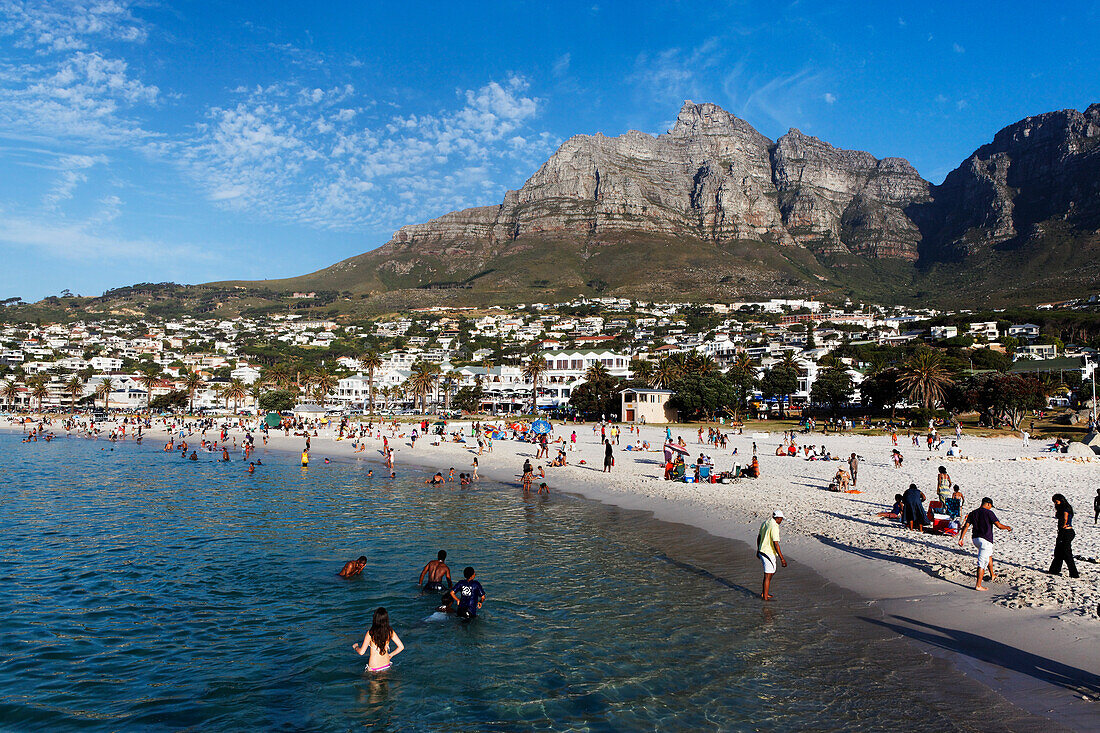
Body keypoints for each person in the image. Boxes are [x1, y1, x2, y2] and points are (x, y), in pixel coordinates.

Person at [958, 497, 1012, 591]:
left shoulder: (973, 513)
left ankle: (992, 575)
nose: (990, 507)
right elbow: (999, 525)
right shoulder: (989, 513)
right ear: (987, 504)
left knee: (988, 555)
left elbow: (966, 526)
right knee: (981, 563)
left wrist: (961, 538)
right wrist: (1007, 527)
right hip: (985, 540)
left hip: (975, 539)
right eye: (990, 506)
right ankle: (978, 585)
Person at [353, 607, 404, 673]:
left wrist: (356, 647)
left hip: (374, 668)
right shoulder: (390, 631)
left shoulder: (370, 633)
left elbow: (361, 652)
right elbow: (401, 647)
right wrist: (391, 655)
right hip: (386, 665)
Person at [1047, 494, 1079, 578]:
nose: (1055, 503)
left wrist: (1064, 524)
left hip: (1066, 532)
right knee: (1058, 552)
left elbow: (1065, 517)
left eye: (1056, 501)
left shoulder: (1065, 508)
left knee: (1066, 553)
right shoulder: (1063, 507)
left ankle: (1074, 574)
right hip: (1063, 532)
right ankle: (1054, 570)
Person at [757, 511, 787, 601]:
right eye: (781, 519)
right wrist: (782, 559)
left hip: (762, 551)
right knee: (768, 575)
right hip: (768, 552)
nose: (781, 521)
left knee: (770, 573)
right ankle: (765, 598)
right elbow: (775, 543)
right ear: (778, 518)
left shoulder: (765, 522)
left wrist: (758, 549)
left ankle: (764, 593)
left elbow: (758, 537)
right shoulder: (774, 526)